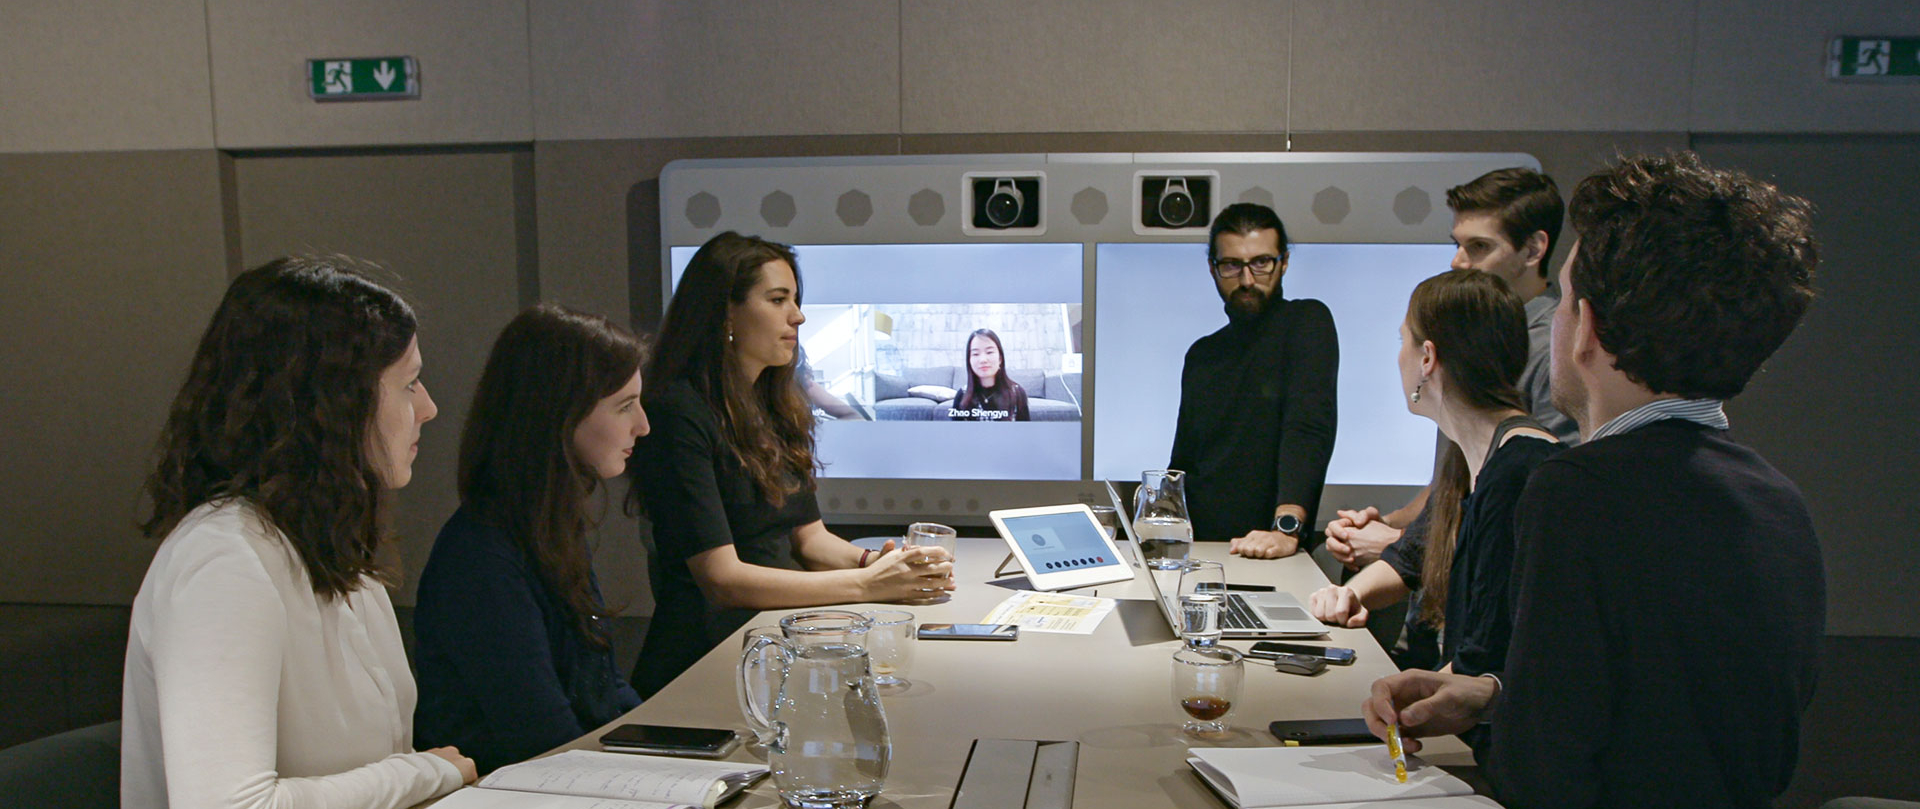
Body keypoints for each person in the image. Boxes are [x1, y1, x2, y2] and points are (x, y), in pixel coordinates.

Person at [1362, 152, 1823, 808]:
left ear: (1587, 331)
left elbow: (1545, 762)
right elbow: (1679, 714)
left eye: (1566, 299)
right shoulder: (1779, 500)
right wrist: (1492, 692)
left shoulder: (1575, 490)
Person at [122, 256, 475, 808]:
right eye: (408, 385)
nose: (428, 407)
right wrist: (426, 773)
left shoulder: (332, 544)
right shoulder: (224, 559)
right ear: (330, 406)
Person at [629, 231, 955, 698]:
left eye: (796, 300)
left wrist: (881, 562)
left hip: (775, 641)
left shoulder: (772, 405)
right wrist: (867, 584)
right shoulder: (677, 412)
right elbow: (722, 580)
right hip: (707, 658)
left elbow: (810, 539)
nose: (797, 316)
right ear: (725, 312)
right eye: (778, 299)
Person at [412, 304, 649, 774]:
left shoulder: (548, 526)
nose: (642, 425)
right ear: (560, 413)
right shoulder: (481, 557)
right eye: (625, 406)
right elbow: (541, 738)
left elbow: (604, 687)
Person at [1307, 270, 1561, 691]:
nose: (1399, 356)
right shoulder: (1475, 454)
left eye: (1402, 340)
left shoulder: (1516, 470)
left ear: (1427, 357)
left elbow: (1483, 657)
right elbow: (1411, 555)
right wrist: (1350, 594)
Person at [1326, 168, 1576, 574]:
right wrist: (1390, 524)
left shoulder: (1553, 354)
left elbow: (1530, 510)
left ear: (1533, 250)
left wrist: (1399, 544)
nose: (1458, 262)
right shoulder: (1472, 336)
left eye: (1479, 246)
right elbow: (1458, 479)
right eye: (1458, 244)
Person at [1169, 202, 1337, 559]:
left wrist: (1287, 528)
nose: (1247, 280)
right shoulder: (1202, 354)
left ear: (1284, 262)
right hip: (1200, 551)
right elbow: (1182, 464)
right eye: (1232, 265)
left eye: (1261, 263)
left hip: (1271, 547)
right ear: (1213, 269)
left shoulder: (1307, 322)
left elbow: (1308, 427)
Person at [948, 328, 1030, 422]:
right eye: (975, 354)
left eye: (989, 352)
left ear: (1000, 358)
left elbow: (1025, 434)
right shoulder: (962, 395)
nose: (983, 359)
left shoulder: (1017, 393)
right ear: (969, 360)